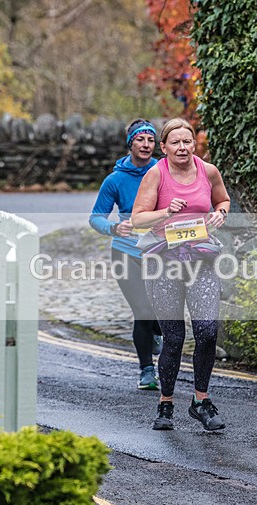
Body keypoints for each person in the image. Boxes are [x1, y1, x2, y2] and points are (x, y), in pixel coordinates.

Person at [131, 117, 231, 431]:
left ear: (194, 144)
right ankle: (166, 403)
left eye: (187, 141)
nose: (182, 147)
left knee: (207, 332)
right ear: (164, 147)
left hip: (201, 261)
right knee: (173, 339)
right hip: (164, 263)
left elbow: (223, 199)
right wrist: (166, 212)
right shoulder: (156, 173)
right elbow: (138, 220)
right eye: (175, 142)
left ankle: (200, 401)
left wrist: (220, 213)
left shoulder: (208, 170)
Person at [89, 120, 165, 390]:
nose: (146, 145)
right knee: (143, 310)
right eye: (140, 140)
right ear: (130, 143)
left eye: (150, 141)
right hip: (126, 252)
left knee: (160, 309)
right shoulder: (116, 179)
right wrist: (113, 227)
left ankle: (158, 331)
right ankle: (146, 370)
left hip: (160, 251)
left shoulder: (162, 171)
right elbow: (95, 217)